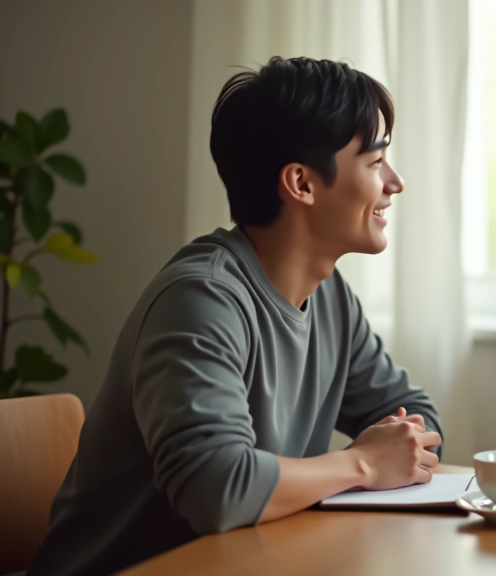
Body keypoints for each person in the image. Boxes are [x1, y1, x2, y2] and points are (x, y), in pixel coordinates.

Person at [30, 57, 442, 576]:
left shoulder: (331, 296)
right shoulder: (201, 300)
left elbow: (415, 414)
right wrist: (362, 463)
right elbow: (216, 490)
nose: (395, 182)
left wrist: (396, 449)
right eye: (375, 161)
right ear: (301, 183)